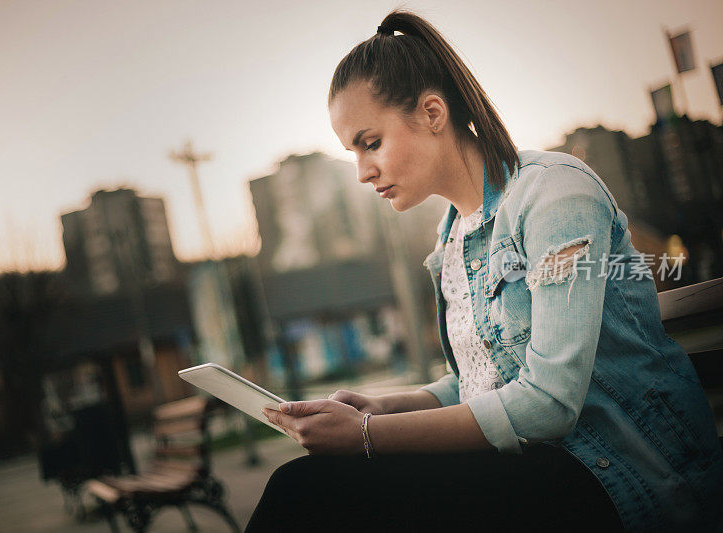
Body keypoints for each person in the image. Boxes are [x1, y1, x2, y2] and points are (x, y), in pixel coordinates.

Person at [247, 9, 723, 532]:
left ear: (432, 113)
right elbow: (482, 381)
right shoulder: (453, 236)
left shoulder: (554, 195)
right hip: (534, 469)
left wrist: (365, 435)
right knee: (312, 487)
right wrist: (385, 408)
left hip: (623, 476)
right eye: (352, 152)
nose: (362, 172)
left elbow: (548, 402)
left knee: (307, 491)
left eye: (371, 143)